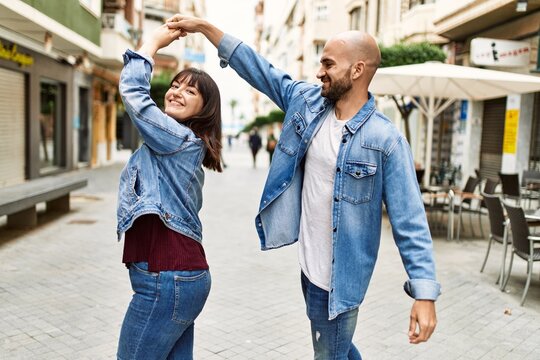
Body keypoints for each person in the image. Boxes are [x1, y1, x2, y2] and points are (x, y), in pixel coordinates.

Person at [166, 15, 440, 359]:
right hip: (309, 267)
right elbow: (259, 69)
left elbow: (410, 219)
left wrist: (424, 294)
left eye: (328, 63)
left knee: (329, 352)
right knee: (335, 347)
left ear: (357, 70)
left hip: (340, 280)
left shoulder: (385, 140)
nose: (319, 71)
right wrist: (206, 29)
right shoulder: (307, 103)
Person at [116, 24, 222, 360]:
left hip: (168, 279)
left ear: (204, 109)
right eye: (175, 85)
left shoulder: (177, 139)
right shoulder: (180, 142)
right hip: (177, 278)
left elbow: (134, 94)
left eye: (190, 92)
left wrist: (151, 44)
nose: (176, 92)